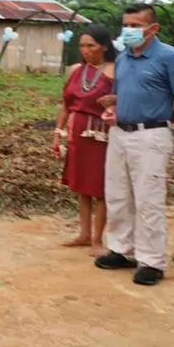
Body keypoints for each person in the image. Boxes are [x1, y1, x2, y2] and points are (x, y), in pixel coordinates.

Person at [95, 3, 174, 286]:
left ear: (153, 28)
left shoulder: (169, 57)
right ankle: (121, 249)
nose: (128, 30)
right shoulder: (123, 59)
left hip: (151, 135)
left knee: (148, 199)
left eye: (135, 25)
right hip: (120, 133)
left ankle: (151, 261)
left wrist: (170, 121)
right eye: (126, 25)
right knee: (118, 195)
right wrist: (113, 105)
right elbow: (121, 94)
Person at [52, 25, 116, 255]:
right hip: (77, 134)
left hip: (100, 134)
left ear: (105, 46)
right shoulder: (76, 70)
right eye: (82, 46)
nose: (86, 50)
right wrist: (58, 133)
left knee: (99, 187)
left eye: (91, 45)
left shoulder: (114, 70)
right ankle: (84, 234)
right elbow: (66, 105)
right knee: (81, 186)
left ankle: (98, 239)